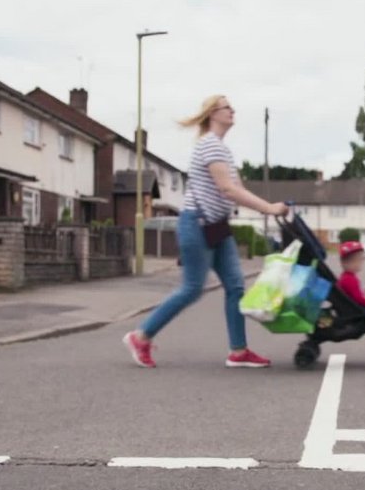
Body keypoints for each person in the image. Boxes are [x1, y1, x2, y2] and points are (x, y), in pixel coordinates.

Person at [122, 95, 289, 369]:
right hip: (197, 225)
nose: (233, 110)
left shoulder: (221, 148)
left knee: (236, 286)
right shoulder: (210, 145)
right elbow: (227, 188)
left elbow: (238, 190)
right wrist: (268, 208)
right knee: (192, 288)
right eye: (227, 107)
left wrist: (264, 206)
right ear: (213, 113)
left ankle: (238, 351)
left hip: (217, 227)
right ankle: (141, 336)